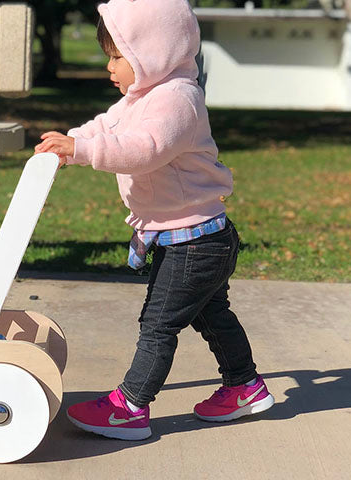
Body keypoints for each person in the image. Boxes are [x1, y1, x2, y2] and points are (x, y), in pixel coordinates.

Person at [34, 0, 274, 440]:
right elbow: (109, 126)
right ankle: (244, 385)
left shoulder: (178, 100)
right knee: (211, 314)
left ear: (154, 52)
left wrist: (83, 153)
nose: (109, 66)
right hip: (193, 236)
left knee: (158, 323)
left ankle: (130, 406)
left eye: (117, 55)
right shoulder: (142, 97)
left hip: (195, 242)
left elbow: (144, 149)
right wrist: (74, 140)